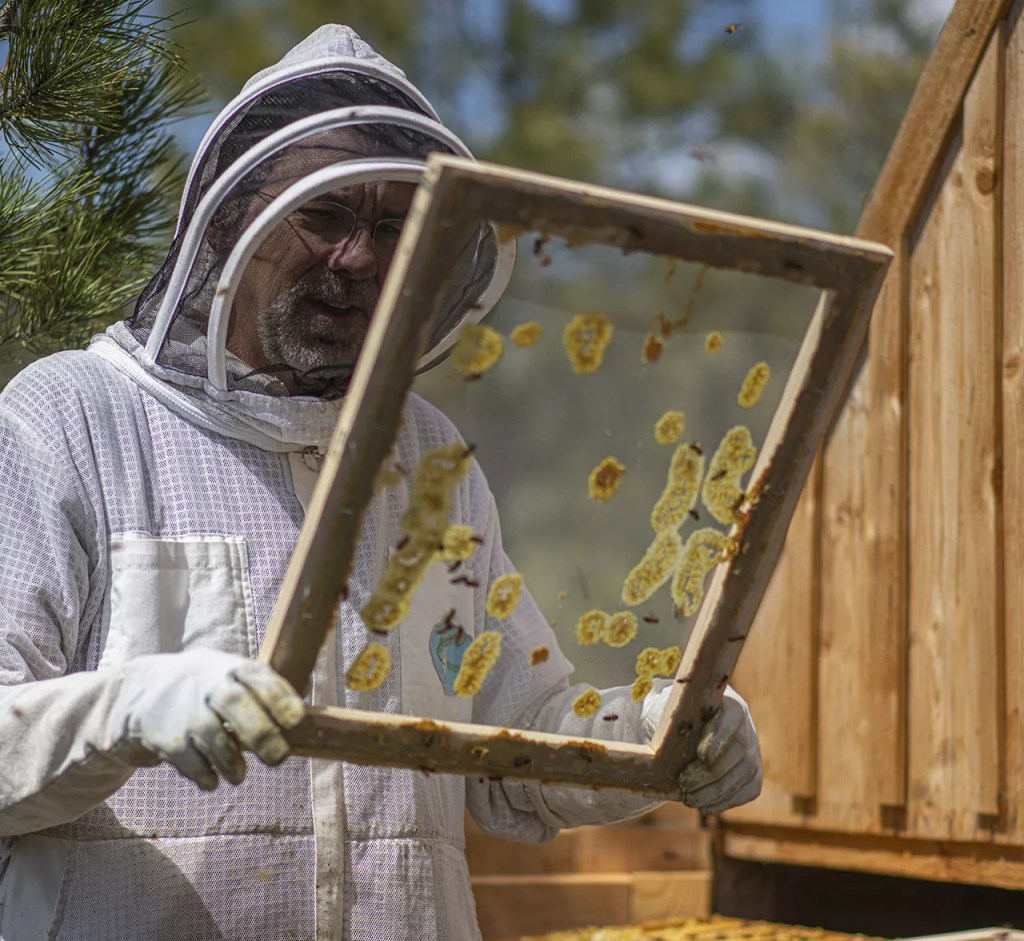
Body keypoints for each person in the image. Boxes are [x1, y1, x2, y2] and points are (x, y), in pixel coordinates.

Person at [0, 26, 762, 941]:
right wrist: (127, 708)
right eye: (324, 215)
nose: (357, 258)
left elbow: (520, 739)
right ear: (234, 216)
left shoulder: (428, 458)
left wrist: (661, 733)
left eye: (394, 229)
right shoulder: (71, 422)